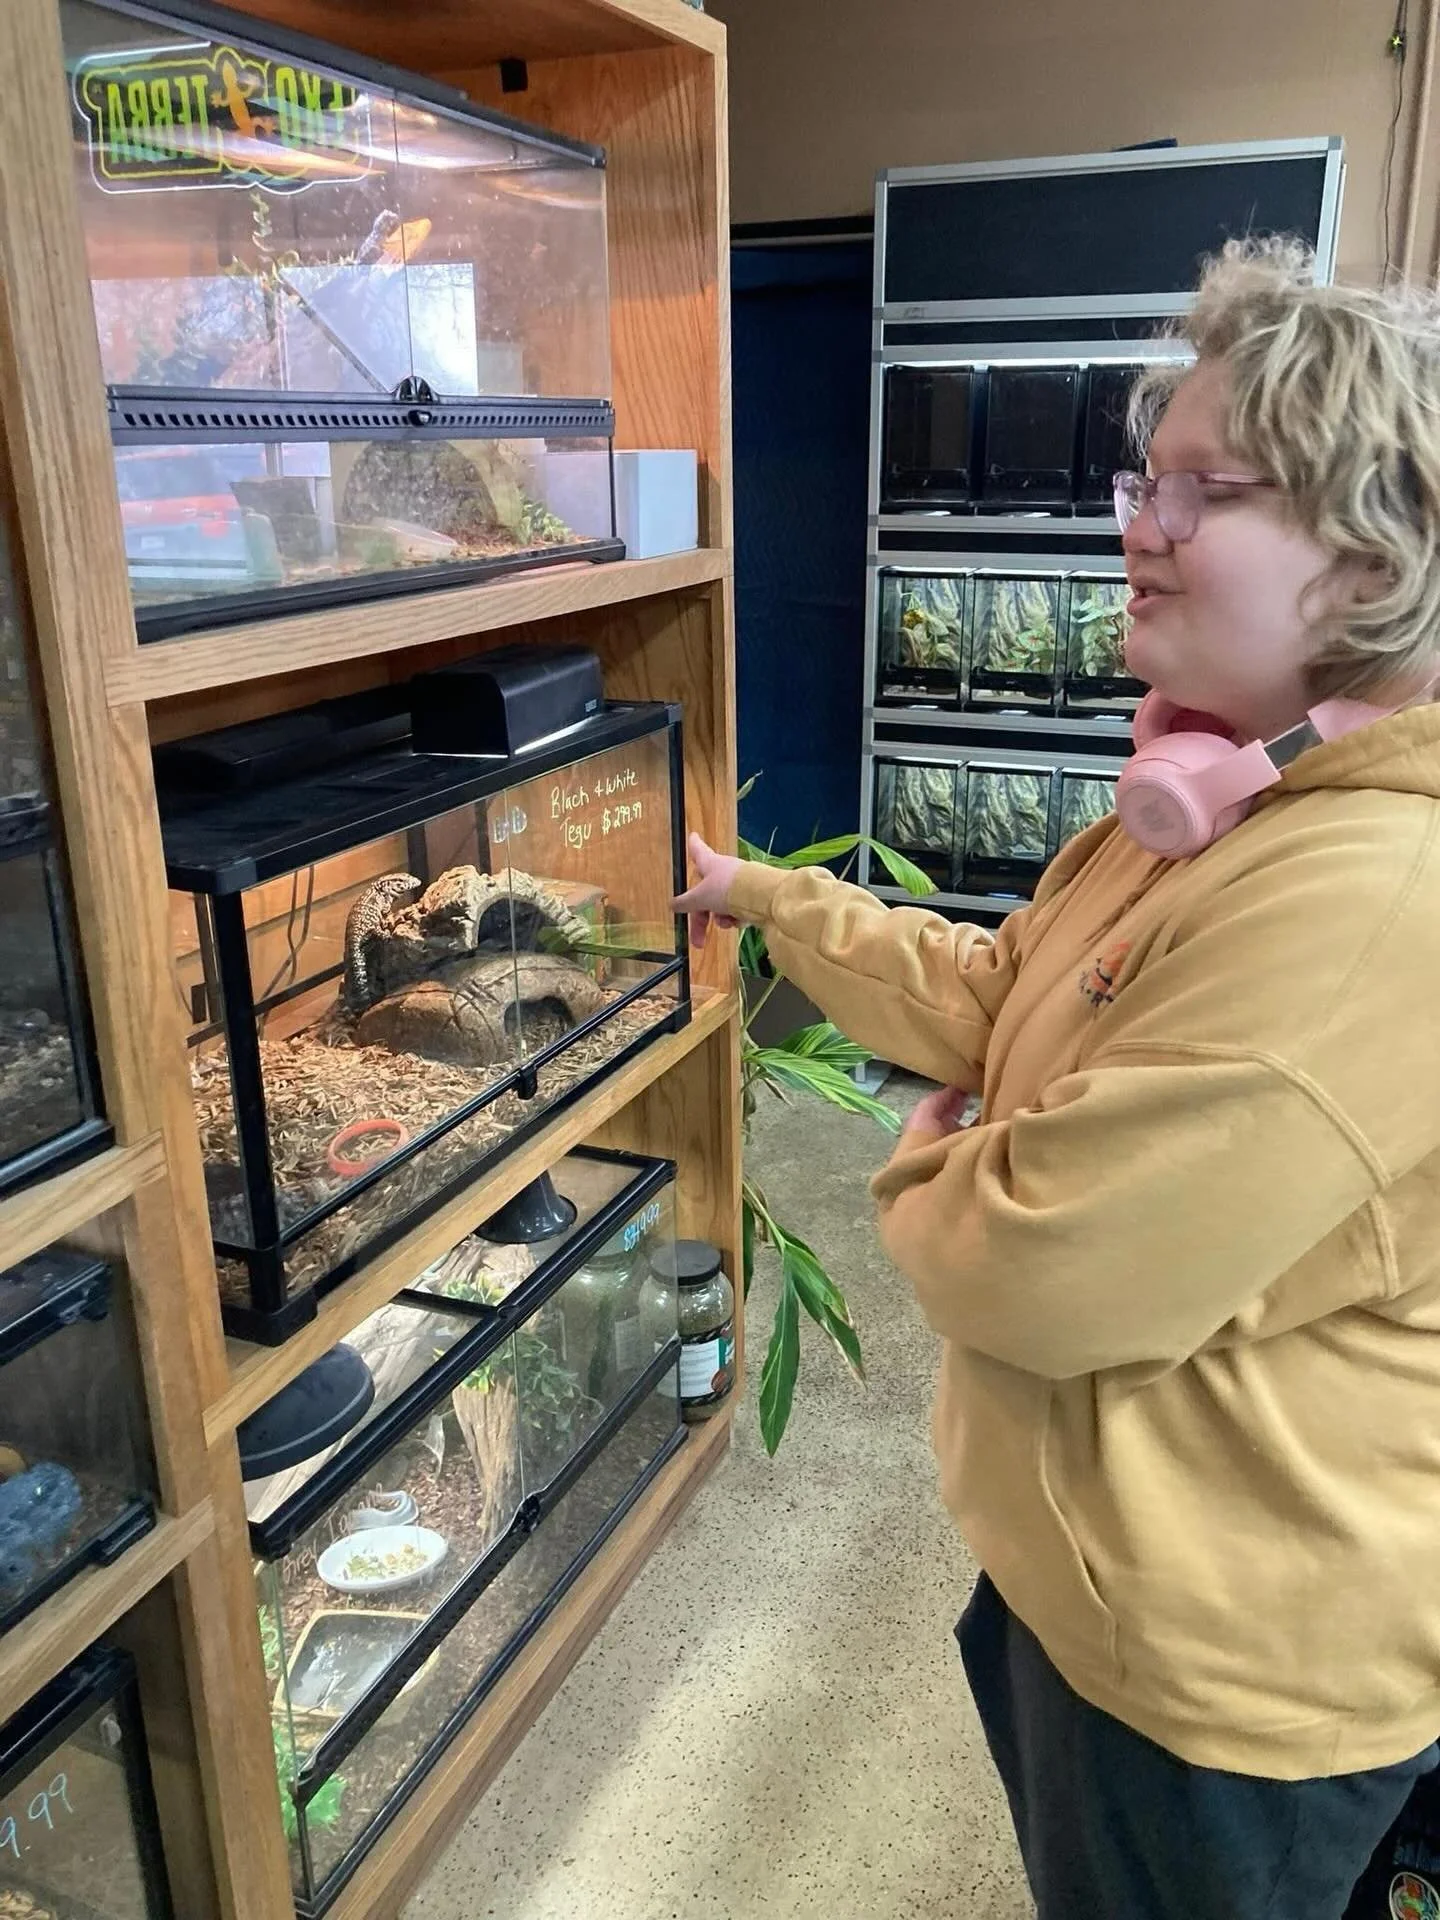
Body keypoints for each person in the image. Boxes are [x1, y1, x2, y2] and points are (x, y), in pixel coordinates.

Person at [675, 238, 1440, 1920]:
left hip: (1222, 1668)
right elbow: (1001, 989)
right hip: (1088, 1576)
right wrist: (766, 900)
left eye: (1205, 490)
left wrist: (933, 1157)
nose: (1139, 529)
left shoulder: (1373, 900)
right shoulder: (1213, 798)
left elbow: (1043, 1263)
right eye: (1143, 480)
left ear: (1374, 550)